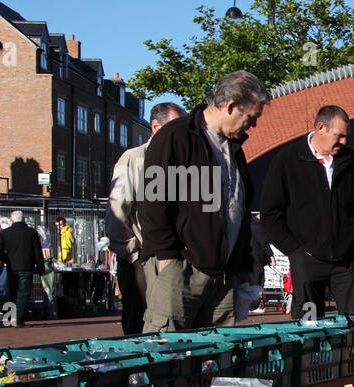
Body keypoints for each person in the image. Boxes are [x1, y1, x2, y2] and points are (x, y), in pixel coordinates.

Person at [137, 70, 270, 331]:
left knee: (215, 359)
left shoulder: (233, 149)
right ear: (231, 107)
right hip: (181, 271)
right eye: (251, 117)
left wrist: (241, 266)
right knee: (169, 353)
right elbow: (153, 203)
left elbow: (238, 210)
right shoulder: (176, 137)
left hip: (222, 276)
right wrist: (167, 259)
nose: (252, 126)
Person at [260, 105, 354, 319]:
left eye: (345, 136)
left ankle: (353, 353)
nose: (344, 142)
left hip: (348, 262)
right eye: (339, 136)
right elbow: (270, 213)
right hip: (306, 260)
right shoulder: (287, 160)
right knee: (307, 326)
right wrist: (295, 252)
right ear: (321, 128)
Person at [106, 102, 186, 334]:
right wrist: (131, 252)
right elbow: (118, 208)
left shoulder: (180, 160)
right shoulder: (135, 159)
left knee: (169, 321)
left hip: (170, 255)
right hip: (142, 255)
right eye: (174, 128)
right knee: (139, 321)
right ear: (155, 127)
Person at [0, 210, 45, 326]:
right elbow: (37, 251)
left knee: (12, 292)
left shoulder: (5, 233)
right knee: (24, 292)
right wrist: (40, 266)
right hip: (27, 266)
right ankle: (18, 317)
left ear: (12, 220)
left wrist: (5, 259)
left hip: (11, 267)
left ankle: (10, 317)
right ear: (23, 219)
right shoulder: (31, 233)